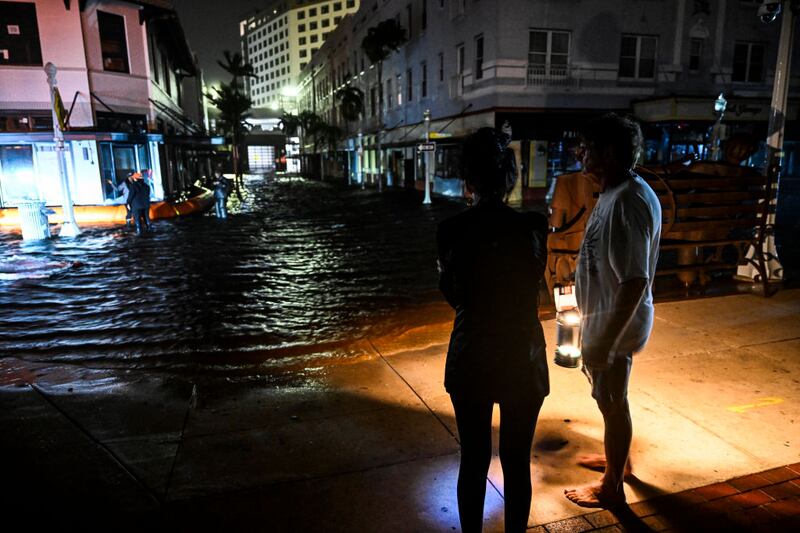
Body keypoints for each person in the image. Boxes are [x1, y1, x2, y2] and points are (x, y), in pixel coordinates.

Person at [437, 127, 549, 532]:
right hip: (523, 355)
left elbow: (455, 294)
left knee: (474, 459)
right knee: (517, 461)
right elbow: (532, 288)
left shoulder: (450, 231)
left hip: (472, 356)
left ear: (468, 180)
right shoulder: (533, 228)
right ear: (510, 179)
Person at [564, 114, 661, 509]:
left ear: (608, 153)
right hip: (602, 322)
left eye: (586, 147)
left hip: (614, 328)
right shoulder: (616, 191)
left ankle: (612, 486)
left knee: (613, 401)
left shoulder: (627, 203)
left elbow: (634, 281)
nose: (579, 153)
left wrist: (604, 341)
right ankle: (618, 460)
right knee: (610, 400)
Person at [546, 169, 600, 297]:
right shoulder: (600, 181)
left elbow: (555, 222)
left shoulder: (564, 181)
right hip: (590, 238)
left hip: (567, 242)